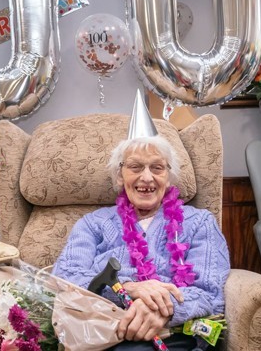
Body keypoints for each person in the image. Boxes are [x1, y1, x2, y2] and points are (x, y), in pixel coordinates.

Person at [53, 92, 230, 351]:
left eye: (157, 168)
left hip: (174, 333)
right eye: (135, 167)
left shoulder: (199, 222)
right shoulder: (93, 224)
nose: (146, 178)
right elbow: (65, 279)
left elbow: (210, 292)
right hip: (105, 330)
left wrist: (163, 311)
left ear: (169, 177)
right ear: (119, 176)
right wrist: (130, 288)